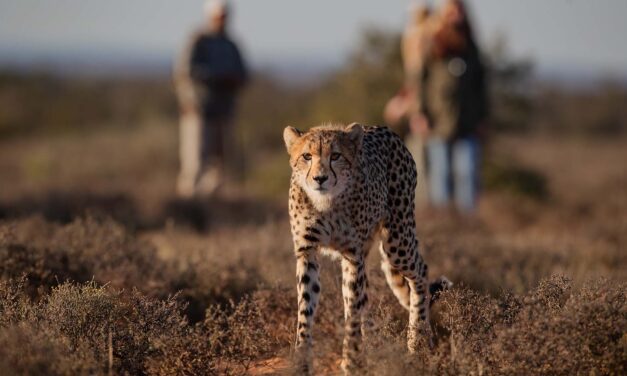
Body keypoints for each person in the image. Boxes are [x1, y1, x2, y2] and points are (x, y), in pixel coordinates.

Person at [418, 0, 488, 214]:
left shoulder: (471, 47)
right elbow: (420, 81)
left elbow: (481, 85)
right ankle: (443, 218)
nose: (456, 16)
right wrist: (421, 114)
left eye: (459, 11)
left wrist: (482, 118)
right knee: (441, 172)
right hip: (439, 122)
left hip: (468, 123)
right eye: (451, 11)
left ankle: (468, 220)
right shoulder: (434, 44)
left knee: (467, 171)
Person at [174, 0, 248, 198]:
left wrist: (230, 80)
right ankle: (187, 207)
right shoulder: (198, 40)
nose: (222, 20)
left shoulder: (231, 44)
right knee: (195, 163)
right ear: (210, 16)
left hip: (224, 112)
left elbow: (243, 74)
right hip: (199, 112)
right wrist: (214, 78)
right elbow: (185, 72)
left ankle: (212, 209)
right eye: (219, 16)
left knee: (220, 166)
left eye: (225, 16)